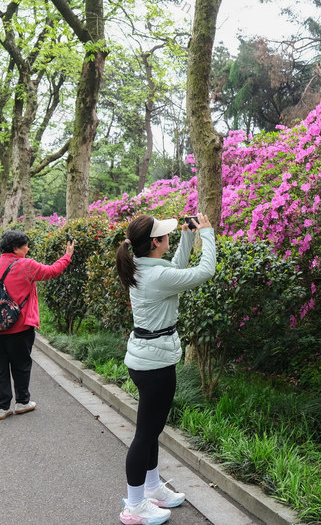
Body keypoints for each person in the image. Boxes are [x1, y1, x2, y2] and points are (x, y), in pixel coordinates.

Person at [114, 213, 216, 525]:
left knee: (152, 429)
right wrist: (207, 234)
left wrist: (187, 236)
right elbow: (205, 271)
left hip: (150, 358)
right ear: (156, 243)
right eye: (165, 235)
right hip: (154, 364)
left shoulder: (147, 267)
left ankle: (153, 488)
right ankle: (135, 505)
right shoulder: (156, 277)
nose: (168, 237)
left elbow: (176, 269)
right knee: (145, 434)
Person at [0, 230, 74, 420]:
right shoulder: (26, 265)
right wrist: (67, 256)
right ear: (16, 248)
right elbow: (51, 271)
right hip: (19, 327)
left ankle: (1, 408)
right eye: (25, 246)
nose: (28, 249)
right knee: (21, 364)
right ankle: (22, 402)